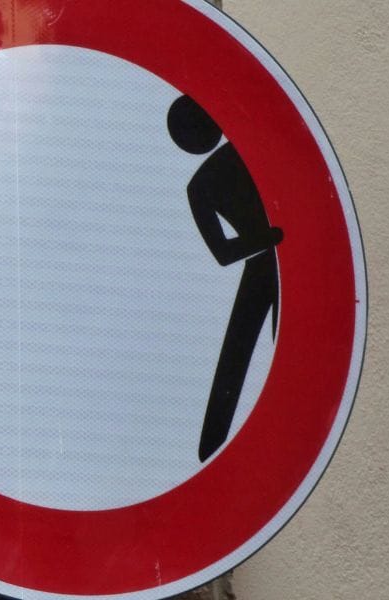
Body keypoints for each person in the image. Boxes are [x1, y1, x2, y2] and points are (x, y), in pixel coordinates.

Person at [166, 95, 284, 462]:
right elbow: (223, 254)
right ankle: (212, 454)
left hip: (277, 260)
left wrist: (270, 238)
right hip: (266, 262)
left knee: (275, 347)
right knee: (239, 356)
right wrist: (270, 237)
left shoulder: (245, 150)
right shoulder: (204, 182)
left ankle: (217, 450)